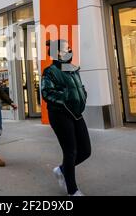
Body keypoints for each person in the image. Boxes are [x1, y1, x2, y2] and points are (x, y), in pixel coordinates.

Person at [41, 39, 91, 196]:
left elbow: (79, 87)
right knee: (71, 152)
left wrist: (82, 95)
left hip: (76, 113)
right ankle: (72, 190)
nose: (69, 50)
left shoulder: (74, 69)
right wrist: (67, 97)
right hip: (60, 114)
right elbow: (46, 93)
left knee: (86, 151)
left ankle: (62, 170)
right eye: (66, 49)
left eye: (70, 48)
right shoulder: (50, 71)